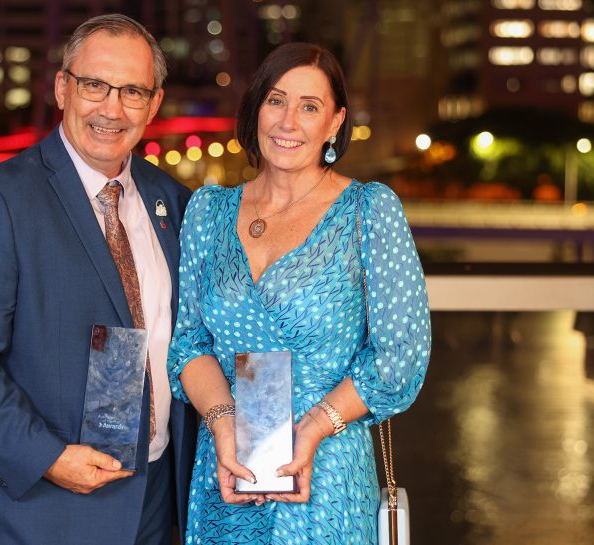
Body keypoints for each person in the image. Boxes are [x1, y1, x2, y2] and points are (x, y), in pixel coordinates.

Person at [0, 14, 196, 545]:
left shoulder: (174, 202)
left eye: (132, 91)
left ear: (154, 104)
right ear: (62, 88)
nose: (111, 109)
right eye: (95, 85)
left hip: (159, 499)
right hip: (46, 511)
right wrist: (45, 457)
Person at [167, 43, 431, 544]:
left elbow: (400, 357)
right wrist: (225, 427)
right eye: (275, 100)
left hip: (326, 475)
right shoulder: (207, 210)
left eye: (309, 107)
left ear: (335, 123)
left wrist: (310, 430)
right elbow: (188, 344)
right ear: (255, 109)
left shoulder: (368, 211)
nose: (288, 121)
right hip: (227, 471)